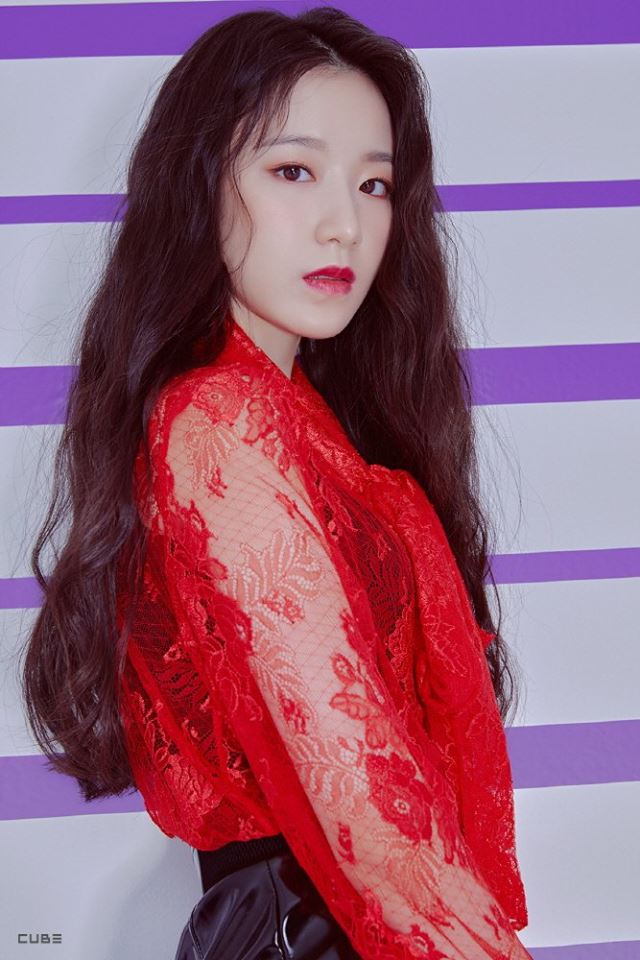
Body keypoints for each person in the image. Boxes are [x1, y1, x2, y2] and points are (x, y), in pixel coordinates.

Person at [19, 6, 532, 958]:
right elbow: (365, 800)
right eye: (293, 171)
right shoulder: (222, 421)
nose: (346, 224)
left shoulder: (306, 418)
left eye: (375, 185)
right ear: (200, 184)